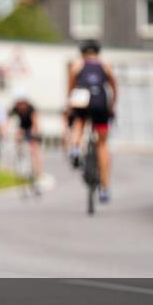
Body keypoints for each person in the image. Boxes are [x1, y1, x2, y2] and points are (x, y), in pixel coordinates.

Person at [67, 40, 117, 203]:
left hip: (82, 100)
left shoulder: (77, 65)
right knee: (102, 144)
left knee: (79, 121)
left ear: (82, 52)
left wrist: (70, 104)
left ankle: (75, 148)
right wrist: (112, 106)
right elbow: (113, 87)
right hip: (100, 102)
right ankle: (104, 188)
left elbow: (71, 88)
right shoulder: (105, 65)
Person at [9, 96, 42, 181]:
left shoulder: (31, 108)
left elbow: (35, 122)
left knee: (34, 150)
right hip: (22, 127)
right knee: (18, 140)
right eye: (19, 104)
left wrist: (35, 133)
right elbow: (8, 119)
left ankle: (38, 171)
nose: (21, 106)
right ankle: (20, 163)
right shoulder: (15, 108)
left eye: (23, 104)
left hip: (31, 127)